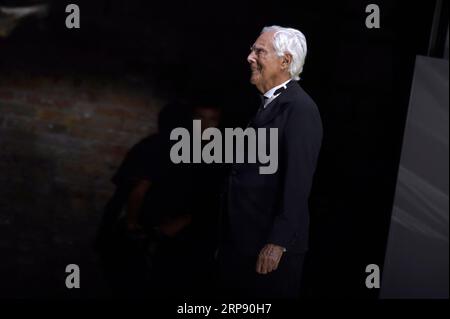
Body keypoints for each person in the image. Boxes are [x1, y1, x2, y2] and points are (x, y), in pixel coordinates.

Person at [218, 25, 323, 299]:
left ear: (285, 61)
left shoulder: (300, 109)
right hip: (243, 242)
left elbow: (298, 182)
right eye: (252, 50)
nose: (250, 57)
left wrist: (278, 242)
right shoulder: (267, 105)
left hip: (269, 249)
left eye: (259, 51)